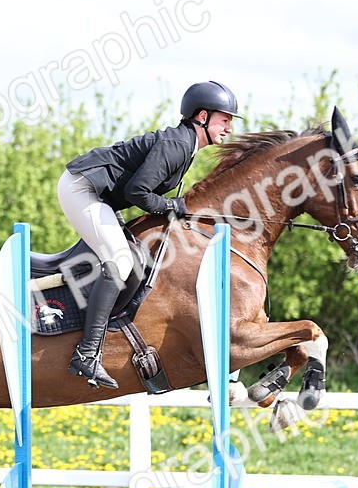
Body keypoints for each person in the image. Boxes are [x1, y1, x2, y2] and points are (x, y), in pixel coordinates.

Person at [58, 80, 243, 388]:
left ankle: (113, 331)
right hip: (82, 188)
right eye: (225, 120)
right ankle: (86, 355)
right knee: (119, 260)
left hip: (101, 196)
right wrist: (173, 205)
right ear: (202, 116)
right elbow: (137, 192)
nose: (228, 129)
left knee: (138, 257)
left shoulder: (187, 145)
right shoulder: (177, 145)